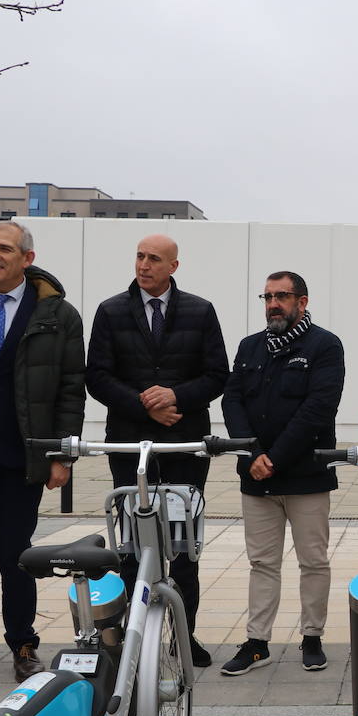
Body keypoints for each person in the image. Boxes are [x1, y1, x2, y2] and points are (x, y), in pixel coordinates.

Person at [85, 234, 229, 667]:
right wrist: (144, 405)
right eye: (139, 256)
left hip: (184, 446)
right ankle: (134, 638)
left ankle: (184, 637)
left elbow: (218, 375)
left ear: (173, 266)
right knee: (132, 546)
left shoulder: (200, 311)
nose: (144, 265)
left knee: (183, 549)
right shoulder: (111, 311)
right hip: (131, 446)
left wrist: (176, 396)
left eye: (153, 259)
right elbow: (97, 377)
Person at [0, 220, 85, 687]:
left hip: (22, 457)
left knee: (17, 556)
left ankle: (23, 645)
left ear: (27, 258)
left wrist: (62, 455)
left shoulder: (59, 315)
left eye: (5, 249)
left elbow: (71, 389)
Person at [220, 271, 345, 676]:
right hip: (256, 477)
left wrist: (273, 458)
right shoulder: (250, 346)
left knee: (313, 561)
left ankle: (312, 638)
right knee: (262, 563)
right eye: (268, 297)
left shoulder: (324, 346)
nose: (273, 304)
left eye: (282, 296)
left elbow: (318, 409)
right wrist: (253, 454)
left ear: (302, 302)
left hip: (306, 475)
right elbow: (232, 401)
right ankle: (257, 643)